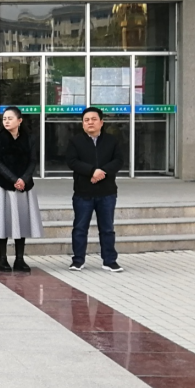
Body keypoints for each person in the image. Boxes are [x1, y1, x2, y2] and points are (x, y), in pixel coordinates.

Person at [0, 106, 42, 273]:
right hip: (4, 185)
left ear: (19, 120)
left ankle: (19, 259)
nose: (6, 121)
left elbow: (33, 160)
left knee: (21, 220)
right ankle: (2, 259)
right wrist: (14, 179)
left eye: (10, 118)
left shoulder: (29, 138)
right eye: (4, 119)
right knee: (3, 221)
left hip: (25, 186)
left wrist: (24, 179)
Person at [66, 107, 125, 272]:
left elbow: (119, 160)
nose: (90, 122)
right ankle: (78, 260)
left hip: (107, 192)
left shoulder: (112, 141)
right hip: (83, 193)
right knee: (80, 228)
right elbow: (72, 161)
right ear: (82, 124)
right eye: (86, 120)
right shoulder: (75, 141)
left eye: (93, 119)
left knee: (107, 229)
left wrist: (102, 172)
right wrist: (92, 171)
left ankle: (109, 261)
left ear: (101, 122)